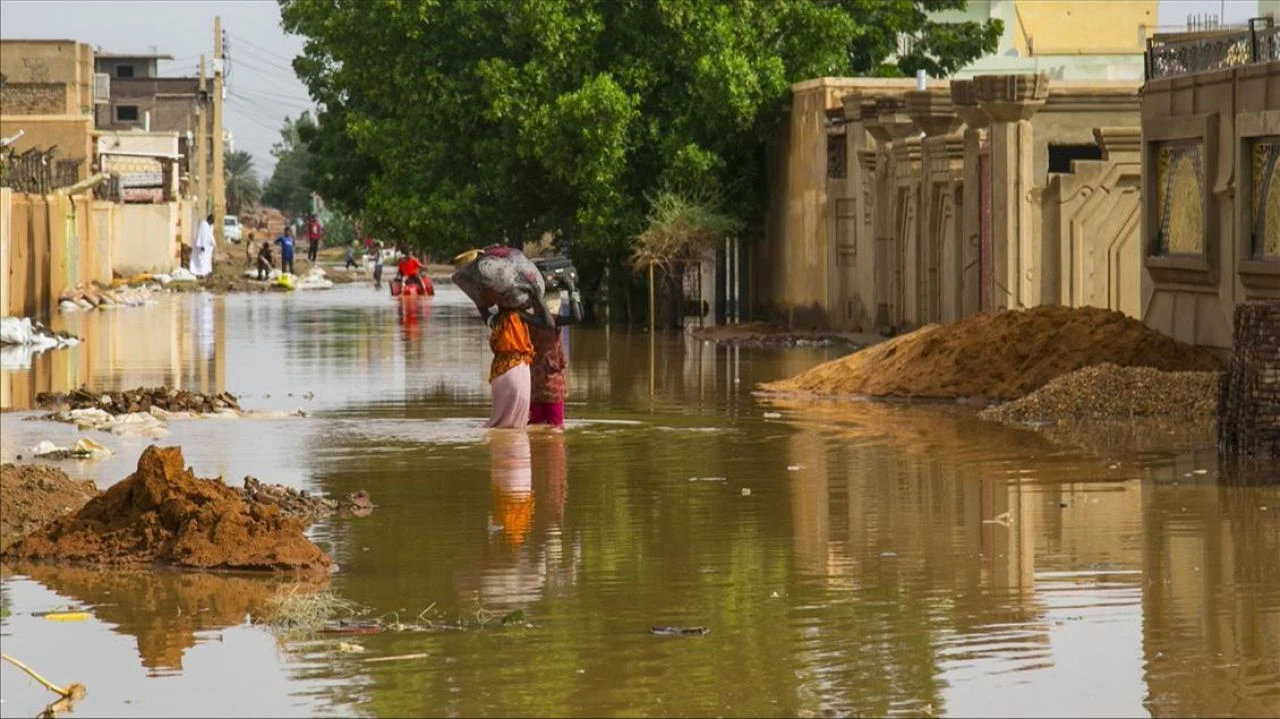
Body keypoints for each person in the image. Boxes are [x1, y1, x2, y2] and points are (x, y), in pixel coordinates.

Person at [521, 277, 582, 428]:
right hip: (552, 382)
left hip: (533, 381)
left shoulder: (528, 319)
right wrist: (572, 289)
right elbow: (576, 316)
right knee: (555, 430)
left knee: (535, 427)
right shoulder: (554, 321)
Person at [485, 305, 535, 428]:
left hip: (499, 371)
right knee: (517, 428)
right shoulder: (520, 316)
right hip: (518, 369)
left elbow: (482, 304)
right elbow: (548, 322)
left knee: (499, 423)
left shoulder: (493, 318)